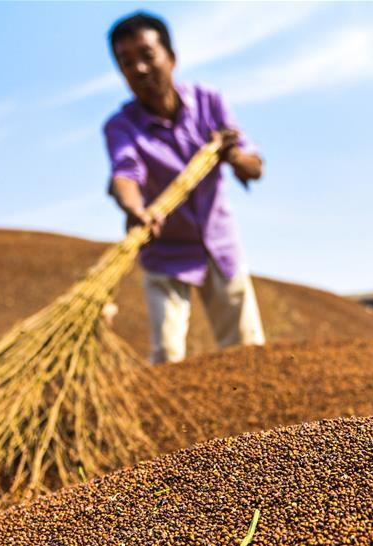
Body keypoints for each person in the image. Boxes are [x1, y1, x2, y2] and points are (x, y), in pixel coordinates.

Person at [103, 12, 266, 364]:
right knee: (167, 355)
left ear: (171, 57)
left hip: (219, 242)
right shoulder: (120, 126)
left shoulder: (209, 102)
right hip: (165, 250)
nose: (139, 69)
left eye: (147, 55)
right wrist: (135, 210)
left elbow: (255, 167)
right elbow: (125, 174)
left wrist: (232, 155)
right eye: (126, 62)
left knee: (247, 349)